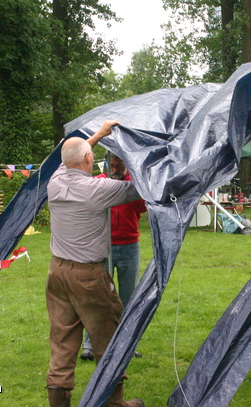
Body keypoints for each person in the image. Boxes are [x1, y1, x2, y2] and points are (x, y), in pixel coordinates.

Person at [45, 120, 145, 407]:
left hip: (57, 273)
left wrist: (99, 134)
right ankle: (115, 404)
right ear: (89, 159)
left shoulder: (56, 180)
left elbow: (73, 155)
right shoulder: (99, 189)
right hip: (88, 277)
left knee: (62, 342)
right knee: (108, 340)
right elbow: (143, 187)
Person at [80, 153, 147, 361]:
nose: (116, 168)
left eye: (120, 164)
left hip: (129, 247)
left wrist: (130, 186)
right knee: (99, 297)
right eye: (113, 164)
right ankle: (90, 344)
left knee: (128, 298)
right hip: (103, 248)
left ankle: (126, 345)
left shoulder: (135, 184)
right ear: (108, 163)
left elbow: (142, 208)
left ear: (127, 164)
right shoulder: (99, 182)